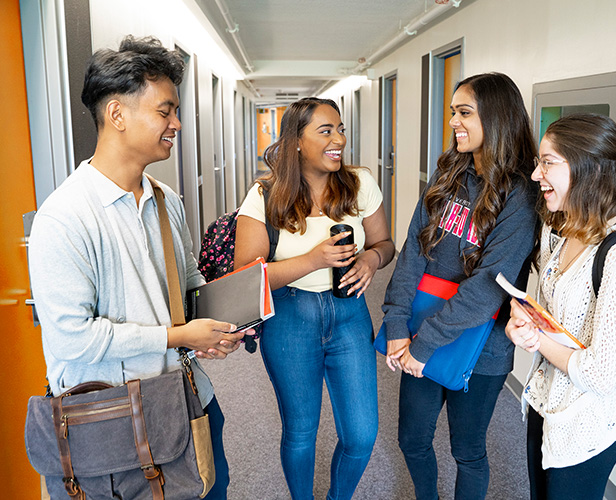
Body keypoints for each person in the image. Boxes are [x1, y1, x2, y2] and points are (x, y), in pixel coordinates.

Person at [28, 35, 244, 498]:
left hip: (185, 403)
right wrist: (178, 336)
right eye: (165, 111)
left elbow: (186, 282)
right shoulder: (64, 217)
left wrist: (218, 322)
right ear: (117, 115)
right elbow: (72, 336)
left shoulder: (167, 201)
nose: (177, 124)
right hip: (107, 423)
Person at [381, 72, 539, 500]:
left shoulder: (521, 195)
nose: (453, 120)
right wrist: (397, 322)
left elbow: (489, 285)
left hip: (481, 346)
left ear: (497, 118)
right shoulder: (449, 174)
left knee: (467, 452)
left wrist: (423, 345)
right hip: (421, 329)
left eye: (464, 112)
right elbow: (415, 249)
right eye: (453, 111)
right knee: (412, 440)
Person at [234, 97, 395, 500]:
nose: (338, 138)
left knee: (361, 434)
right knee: (301, 431)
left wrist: (372, 260)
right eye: (325, 131)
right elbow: (245, 279)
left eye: (340, 129)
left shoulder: (360, 183)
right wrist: (312, 260)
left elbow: (385, 243)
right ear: (296, 142)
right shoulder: (265, 195)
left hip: (349, 314)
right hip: (291, 317)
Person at [505, 113, 616, 499]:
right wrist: (524, 320)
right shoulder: (562, 228)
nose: (536, 175)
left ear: (589, 170)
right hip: (544, 400)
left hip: (589, 423)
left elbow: (604, 373)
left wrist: (535, 341)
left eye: (548, 162)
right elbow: (555, 313)